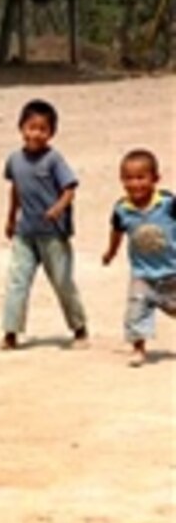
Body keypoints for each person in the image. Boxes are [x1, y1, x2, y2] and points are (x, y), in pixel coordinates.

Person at [0, 99, 89, 350]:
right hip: (25, 232)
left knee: (62, 281)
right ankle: (10, 333)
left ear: (51, 133)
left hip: (53, 234)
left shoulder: (54, 160)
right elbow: (15, 189)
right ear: (21, 128)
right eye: (31, 127)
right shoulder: (14, 160)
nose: (36, 134)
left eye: (43, 129)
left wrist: (58, 209)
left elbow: (69, 188)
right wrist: (10, 218)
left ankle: (79, 328)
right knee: (17, 281)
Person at [102, 149, 176, 367]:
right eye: (128, 178)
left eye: (141, 178)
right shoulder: (122, 209)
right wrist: (111, 252)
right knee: (136, 310)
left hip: (171, 270)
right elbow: (116, 232)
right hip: (142, 273)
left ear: (155, 179)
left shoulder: (168, 204)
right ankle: (138, 349)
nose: (135, 184)